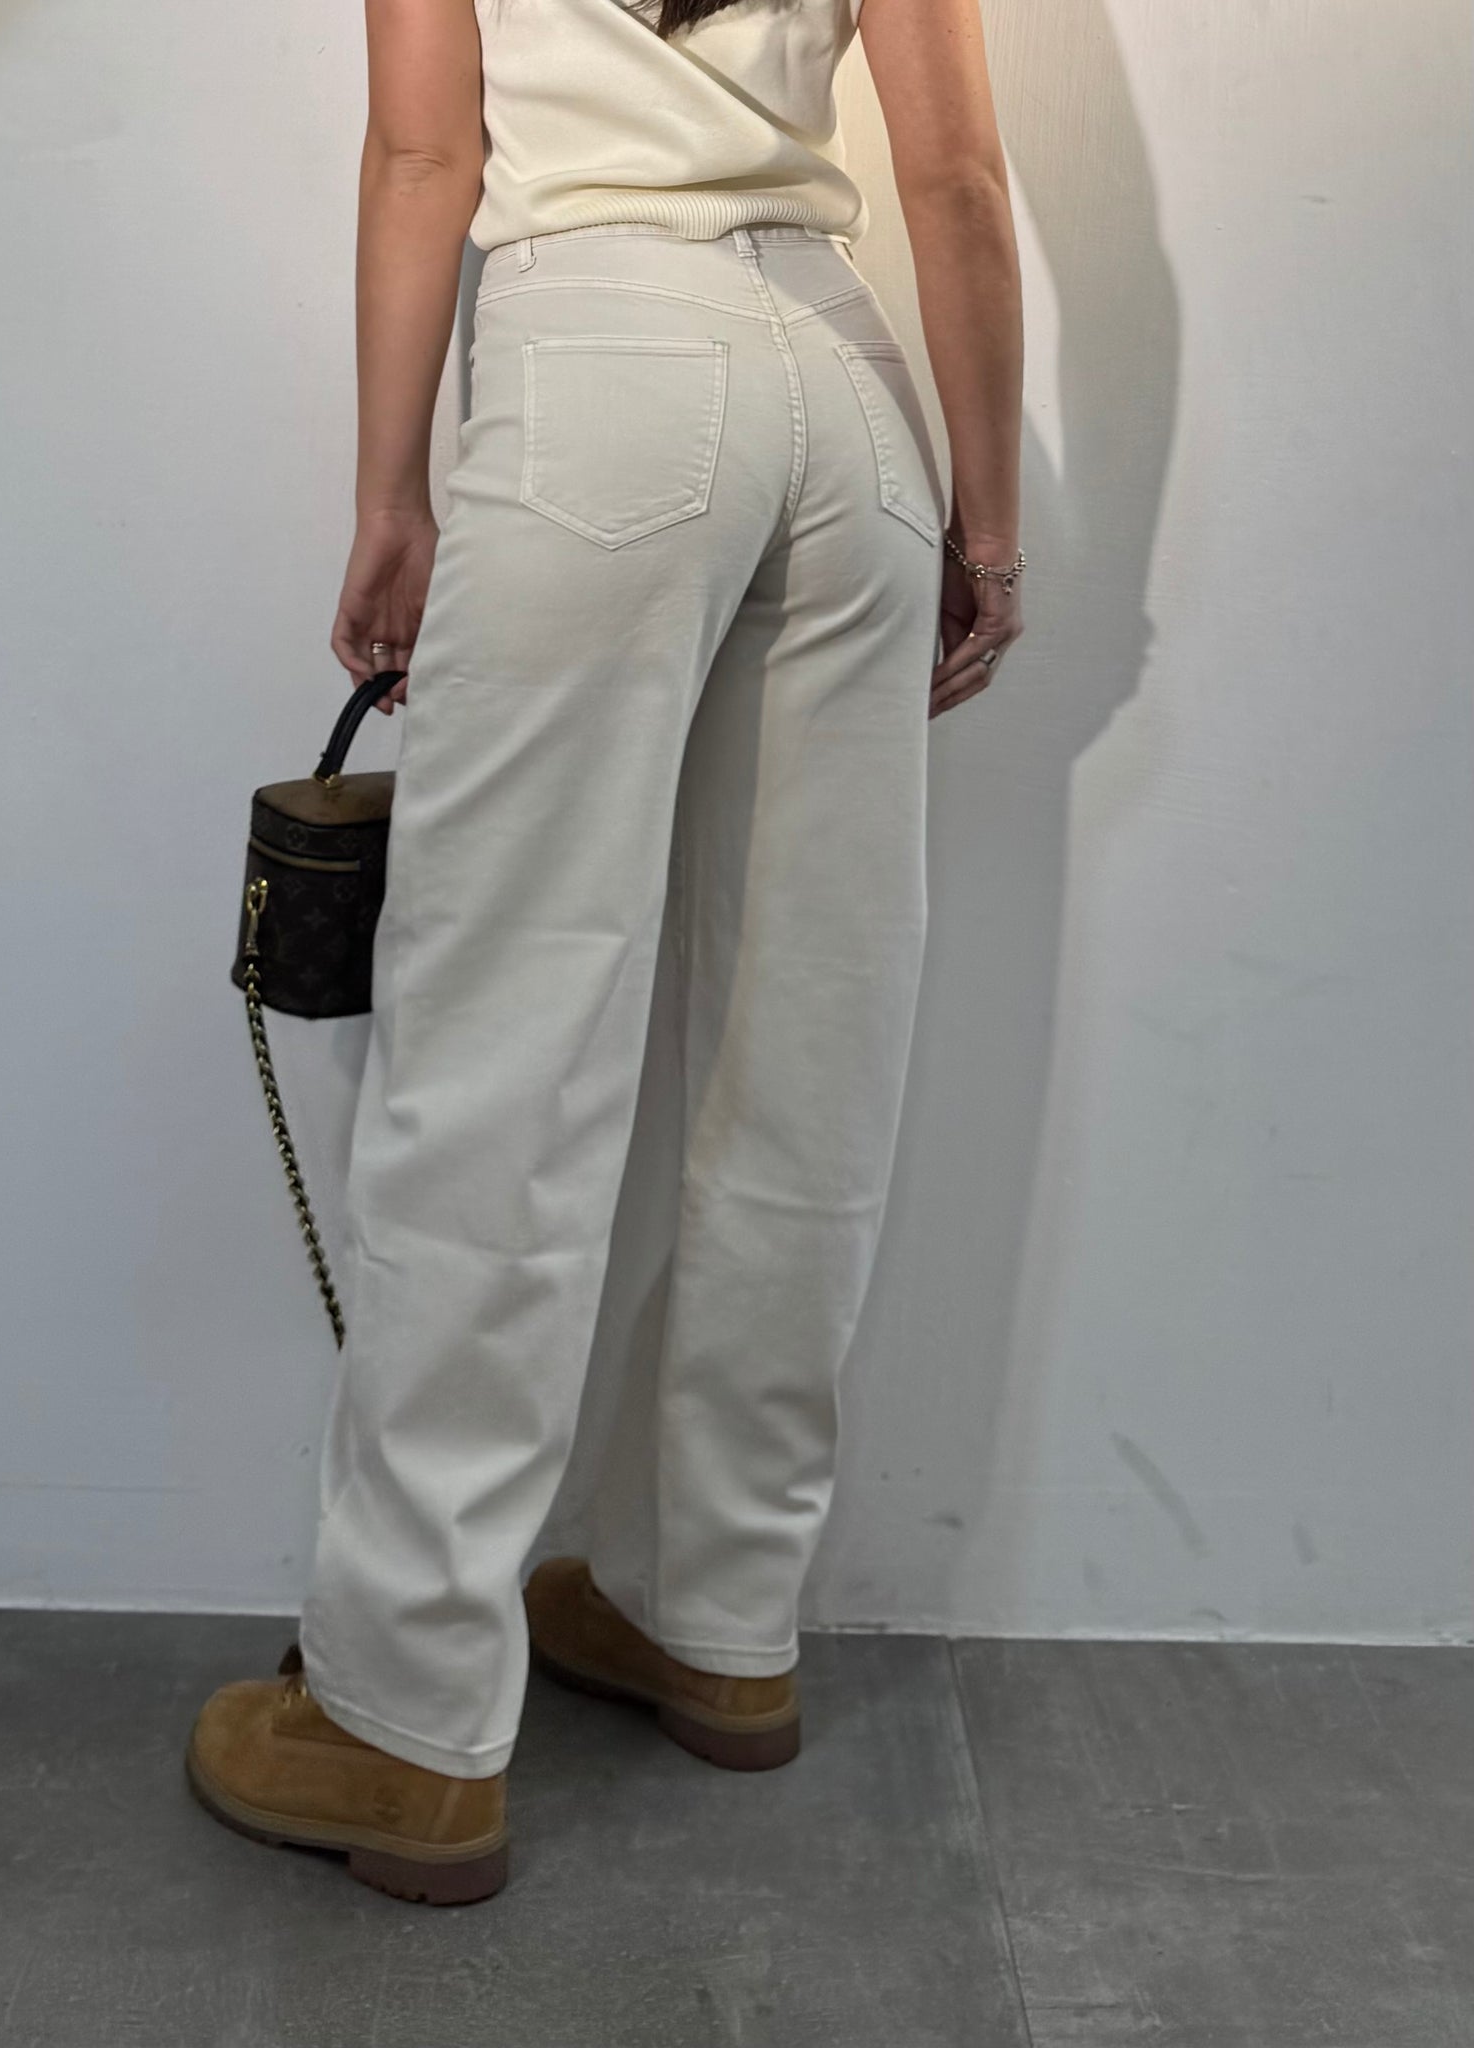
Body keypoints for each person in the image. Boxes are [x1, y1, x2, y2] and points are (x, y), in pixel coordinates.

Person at [185, 0, 1024, 1905]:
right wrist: (990, 522)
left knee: (498, 1058)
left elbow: (426, 153)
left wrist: (389, 490)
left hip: (600, 375)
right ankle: (712, 1609)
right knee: (804, 1047)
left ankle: (403, 1716)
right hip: (852, 393)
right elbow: (960, 176)